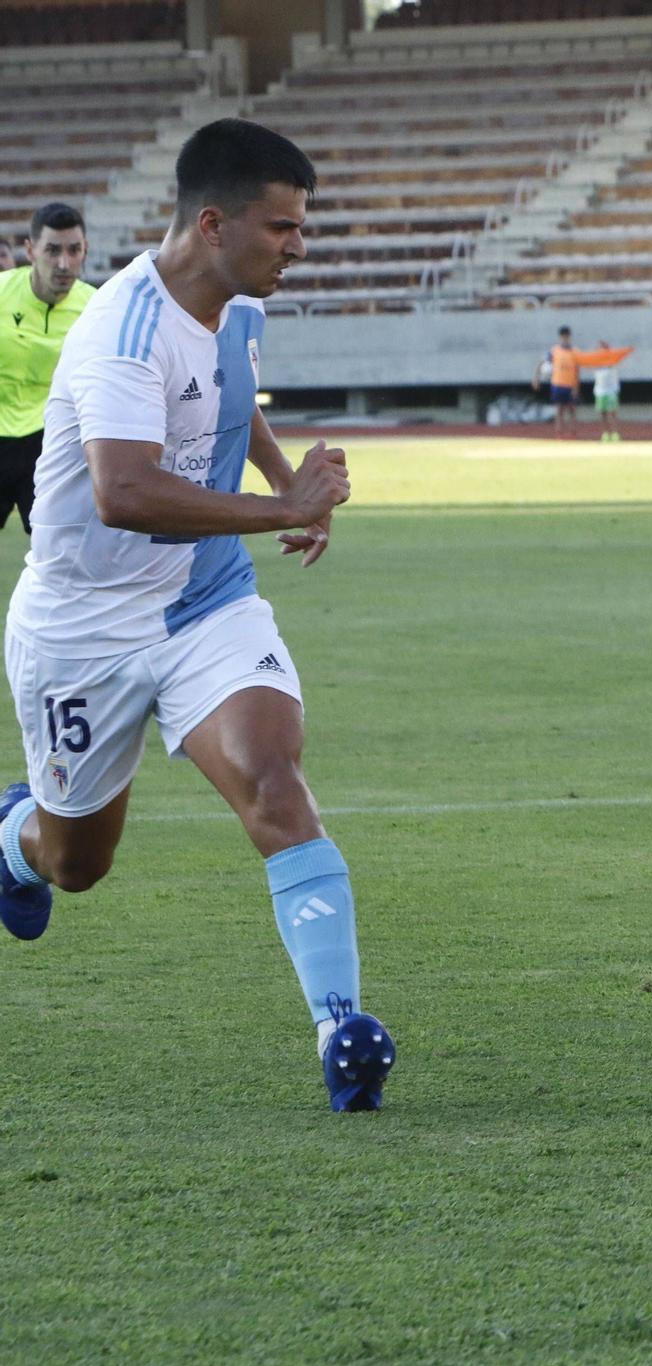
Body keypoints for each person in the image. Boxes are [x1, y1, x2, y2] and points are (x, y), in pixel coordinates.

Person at [0, 119, 395, 1112]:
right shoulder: (123, 330)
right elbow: (125, 490)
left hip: (203, 597)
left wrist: (278, 474)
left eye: (303, 226)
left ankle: (341, 1026)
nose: (298, 245)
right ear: (213, 224)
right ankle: (15, 840)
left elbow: (229, 395)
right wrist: (283, 509)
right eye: (283, 228)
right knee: (76, 863)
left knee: (274, 774)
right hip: (82, 624)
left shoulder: (237, 305)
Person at [0, 203, 95, 535]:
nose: (64, 263)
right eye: (52, 250)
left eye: (74, 250)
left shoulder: (97, 309)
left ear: (86, 251)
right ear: (30, 250)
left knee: (61, 548)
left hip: (52, 446)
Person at [539, 326, 579, 438]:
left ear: (569, 337)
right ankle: (559, 432)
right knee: (559, 409)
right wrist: (536, 378)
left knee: (572, 409)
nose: (565, 339)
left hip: (570, 384)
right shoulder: (554, 351)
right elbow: (542, 362)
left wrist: (576, 387)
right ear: (560, 337)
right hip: (558, 384)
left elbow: (577, 370)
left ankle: (573, 432)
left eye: (567, 336)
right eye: (563, 336)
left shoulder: (574, 351)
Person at [590, 338, 624, 442]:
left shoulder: (611, 360)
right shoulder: (596, 362)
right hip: (600, 390)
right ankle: (605, 433)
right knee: (602, 413)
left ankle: (615, 433)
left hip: (611, 390)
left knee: (612, 413)